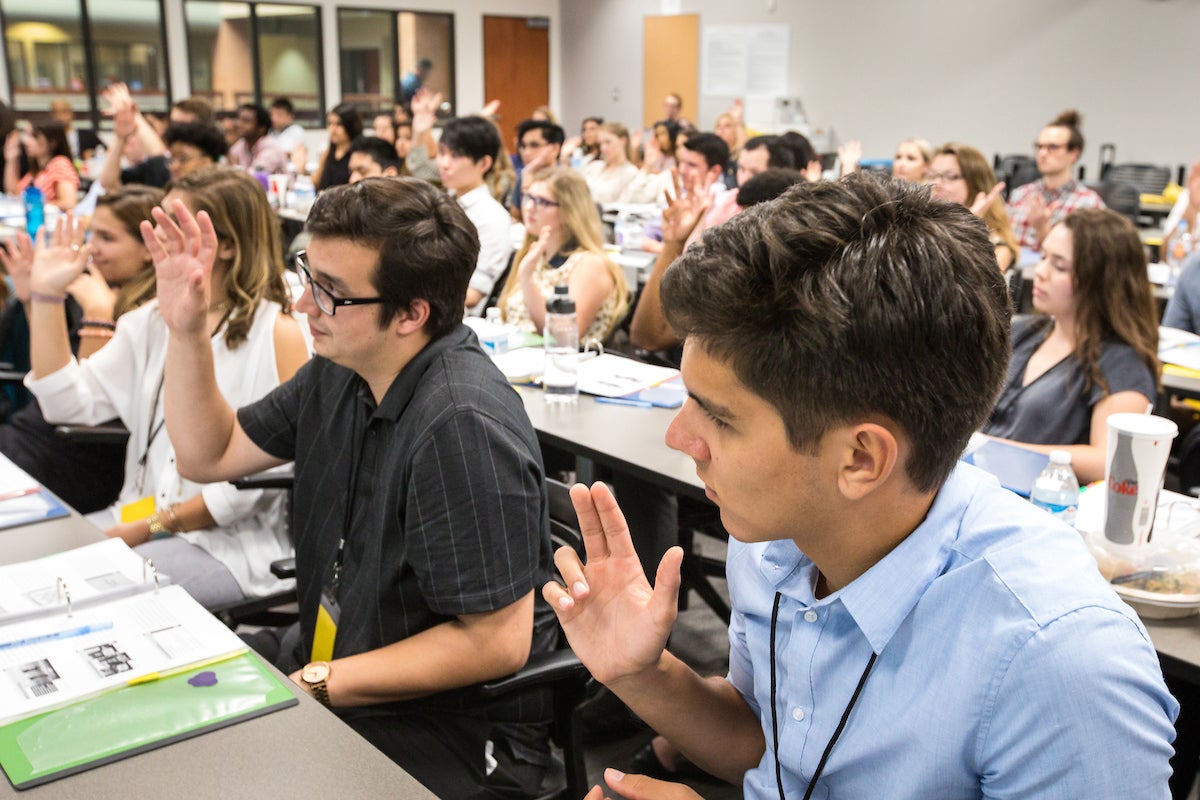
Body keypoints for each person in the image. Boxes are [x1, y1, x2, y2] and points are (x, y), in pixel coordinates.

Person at [546, 174, 1177, 800]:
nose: (679, 438)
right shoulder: (771, 536)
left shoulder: (1060, 664)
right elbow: (768, 749)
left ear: (860, 459)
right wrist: (642, 673)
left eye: (719, 416)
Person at [149, 176, 557, 799]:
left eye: (330, 292)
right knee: (163, 696)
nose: (304, 306)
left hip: (442, 720)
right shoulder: (342, 369)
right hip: (335, 659)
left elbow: (495, 642)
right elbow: (210, 454)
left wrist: (314, 682)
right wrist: (186, 330)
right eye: (308, 275)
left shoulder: (460, 425)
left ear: (411, 314)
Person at [24, 167, 310, 609]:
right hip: (139, 516)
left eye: (176, 225)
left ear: (228, 244)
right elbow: (68, 406)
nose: (160, 236)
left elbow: (254, 484)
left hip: (230, 544)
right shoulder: (150, 320)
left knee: (79, 597)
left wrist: (146, 529)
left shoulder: (278, 333)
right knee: (26, 569)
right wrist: (44, 299)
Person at [0, 186, 163, 513]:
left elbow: (79, 402)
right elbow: (54, 370)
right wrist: (35, 299)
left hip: (72, 454)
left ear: (149, 247)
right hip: (35, 430)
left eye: (107, 238)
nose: (92, 249)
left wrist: (99, 318)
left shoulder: (151, 311)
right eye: (92, 235)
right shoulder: (95, 285)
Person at [983, 208, 1158, 483]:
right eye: (1042, 257)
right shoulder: (1022, 331)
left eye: (1060, 266)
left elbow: (1108, 459)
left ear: (1101, 281)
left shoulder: (1122, 363)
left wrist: (992, 450)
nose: (1039, 272)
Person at [499, 167, 628, 342]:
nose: (529, 207)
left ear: (569, 212)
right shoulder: (535, 256)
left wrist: (527, 279)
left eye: (542, 201)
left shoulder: (590, 264)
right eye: (528, 197)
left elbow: (565, 336)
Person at [436, 116, 513, 314]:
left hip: (458, 319)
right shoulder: (442, 202)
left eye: (455, 155)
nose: (444, 163)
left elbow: (472, 295)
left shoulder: (491, 217)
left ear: (484, 163)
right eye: (442, 153)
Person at [1006, 109, 1105, 250]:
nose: (1042, 153)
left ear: (1074, 154)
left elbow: (1085, 259)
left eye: (1052, 147)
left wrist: (1042, 229)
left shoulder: (1088, 204)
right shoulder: (1020, 194)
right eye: (1039, 146)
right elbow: (1002, 240)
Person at [928, 142, 1018, 272]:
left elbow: (976, 286)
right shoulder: (921, 226)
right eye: (931, 176)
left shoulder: (998, 247)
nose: (936, 183)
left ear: (976, 183)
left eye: (951, 176)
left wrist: (968, 226)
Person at [3, 121, 79, 209]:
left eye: (34, 136)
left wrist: (34, 205)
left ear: (52, 142)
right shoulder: (36, 171)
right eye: (26, 135)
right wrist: (11, 160)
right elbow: (13, 193)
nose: (26, 141)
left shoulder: (60, 164)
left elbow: (68, 203)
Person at [582, 122, 655, 204]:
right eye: (600, 143)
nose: (603, 148)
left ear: (622, 140)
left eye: (608, 142)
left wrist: (647, 166)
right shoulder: (594, 166)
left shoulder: (630, 172)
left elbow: (625, 202)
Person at [512, 118, 565, 213]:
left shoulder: (566, 180)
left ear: (555, 148)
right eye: (523, 146)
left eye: (534, 145)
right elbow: (515, 215)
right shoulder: (524, 175)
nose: (526, 152)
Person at [313, 103, 362, 191]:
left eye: (339, 124)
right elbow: (316, 182)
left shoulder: (360, 152)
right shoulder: (329, 150)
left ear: (350, 125)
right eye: (330, 123)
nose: (333, 129)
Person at [229, 103, 288, 174]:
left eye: (246, 121)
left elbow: (253, 178)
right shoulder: (242, 144)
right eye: (239, 119)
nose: (239, 124)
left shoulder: (270, 148)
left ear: (261, 128)